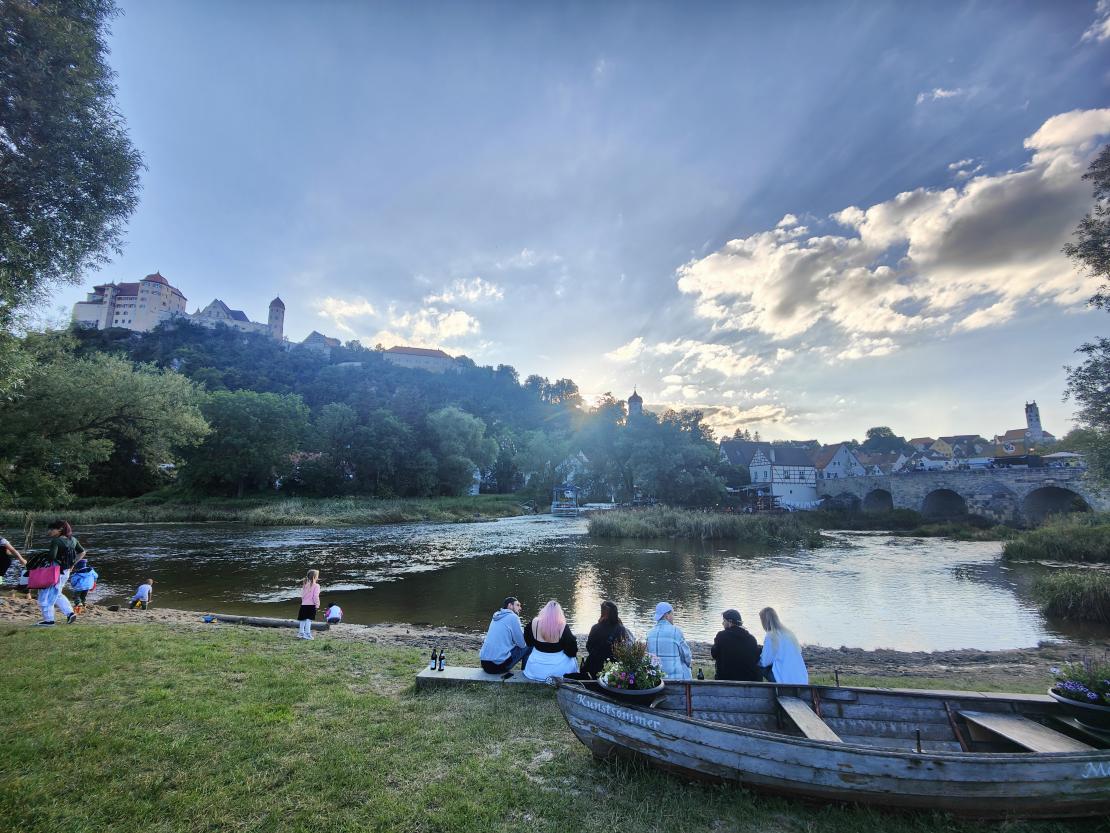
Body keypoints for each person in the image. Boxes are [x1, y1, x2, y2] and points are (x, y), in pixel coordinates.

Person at [28, 520, 83, 626]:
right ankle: (70, 613)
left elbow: (51, 557)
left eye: (52, 529)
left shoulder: (56, 541)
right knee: (57, 594)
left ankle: (49, 620)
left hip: (54, 572)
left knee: (45, 595)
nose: (49, 531)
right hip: (65, 572)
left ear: (60, 529)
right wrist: (72, 564)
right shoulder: (73, 540)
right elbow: (82, 552)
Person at [521, 600, 578, 681]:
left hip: (535, 669)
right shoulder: (562, 626)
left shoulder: (534, 622)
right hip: (558, 671)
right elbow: (572, 651)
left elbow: (529, 642)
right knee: (573, 659)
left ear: (544, 610)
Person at [758, 606, 808, 684]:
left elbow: (764, 662)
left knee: (759, 665)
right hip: (802, 679)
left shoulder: (771, 636)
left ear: (764, 621)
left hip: (785, 681)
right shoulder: (789, 634)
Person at [478, 596, 528, 674]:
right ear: (510, 605)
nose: (520, 608)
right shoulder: (513, 617)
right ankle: (526, 672)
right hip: (497, 667)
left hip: (484, 664)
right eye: (517, 605)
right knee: (530, 644)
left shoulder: (496, 615)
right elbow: (522, 644)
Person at [581, 600, 631, 678]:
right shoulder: (621, 629)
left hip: (593, 667)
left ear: (603, 613)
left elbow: (588, 647)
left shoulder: (595, 628)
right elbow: (622, 650)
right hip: (612, 669)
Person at [711, 609, 762, 681]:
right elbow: (756, 657)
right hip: (750, 680)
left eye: (724, 621)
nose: (722, 623)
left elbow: (713, 654)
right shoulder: (751, 638)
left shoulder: (721, 636)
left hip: (726, 679)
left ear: (730, 622)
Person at [645, 602, 691, 680]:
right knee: (685, 666)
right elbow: (687, 656)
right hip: (676, 679)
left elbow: (647, 656)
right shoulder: (676, 632)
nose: (673, 617)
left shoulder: (650, 633)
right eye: (672, 614)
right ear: (667, 615)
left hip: (656, 679)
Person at [296, 569, 320, 640]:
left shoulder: (305, 584)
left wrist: (303, 602)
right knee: (309, 620)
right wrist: (317, 604)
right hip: (311, 605)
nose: (318, 577)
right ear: (314, 577)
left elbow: (302, 595)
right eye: (317, 576)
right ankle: (307, 634)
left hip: (303, 605)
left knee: (302, 620)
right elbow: (315, 596)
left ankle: (301, 633)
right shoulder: (316, 586)